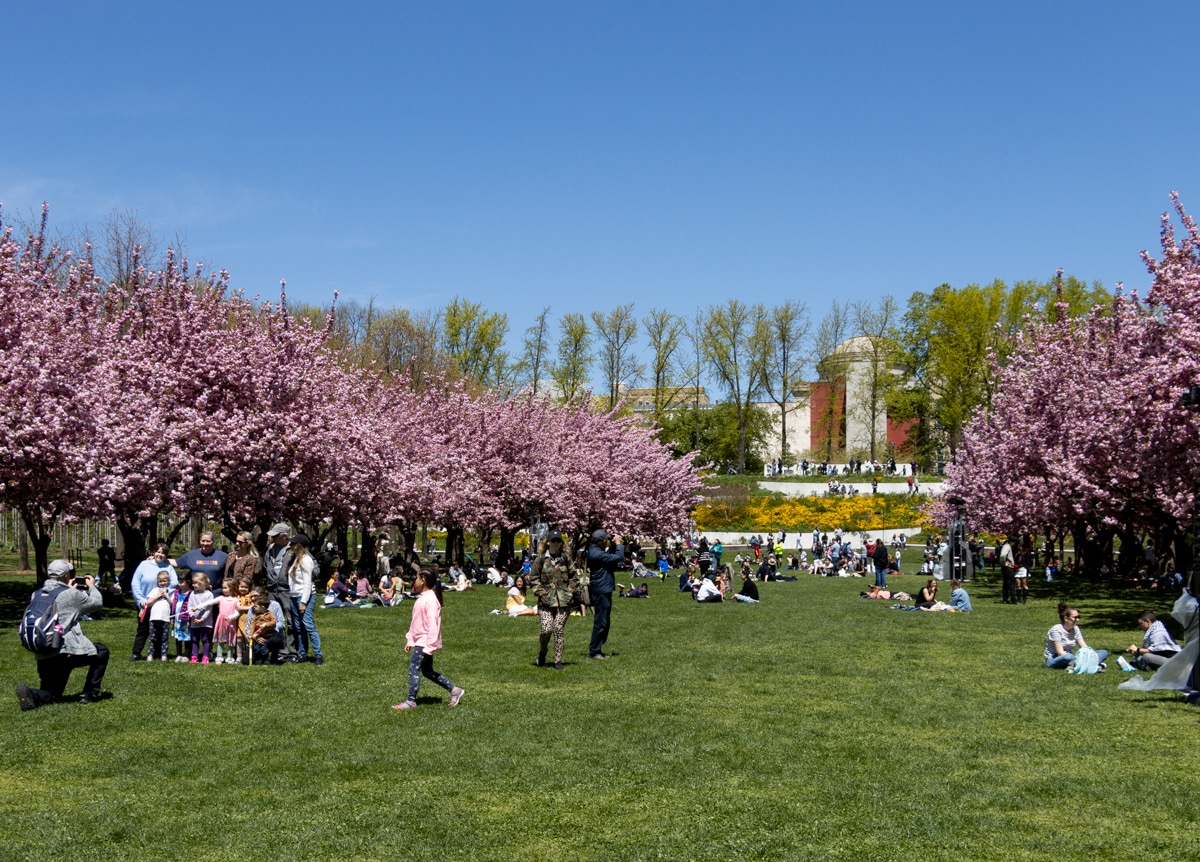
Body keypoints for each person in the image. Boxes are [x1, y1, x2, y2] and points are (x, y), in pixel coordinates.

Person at [15, 560, 110, 709]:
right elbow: (97, 603)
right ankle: (89, 693)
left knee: (52, 694)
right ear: (66, 576)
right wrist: (91, 586)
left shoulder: (36, 594)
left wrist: (69, 589)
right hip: (66, 651)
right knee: (102, 652)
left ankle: (31, 694)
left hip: (43, 651)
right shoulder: (71, 595)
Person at [393, 568, 464, 710]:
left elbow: (433, 625)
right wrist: (410, 640)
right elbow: (416, 623)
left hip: (425, 643)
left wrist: (430, 645)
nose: (414, 581)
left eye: (416, 578)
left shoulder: (430, 600)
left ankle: (411, 701)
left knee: (414, 669)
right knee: (427, 671)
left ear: (423, 580)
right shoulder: (424, 598)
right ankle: (455, 690)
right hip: (420, 642)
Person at [532, 532, 577, 669]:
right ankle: (543, 651)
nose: (555, 543)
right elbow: (533, 579)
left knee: (558, 629)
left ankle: (558, 660)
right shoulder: (540, 559)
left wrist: (569, 593)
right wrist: (541, 593)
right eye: (553, 541)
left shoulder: (565, 558)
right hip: (545, 601)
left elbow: (574, 577)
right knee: (546, 630)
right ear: (548, 542)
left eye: (558, 541)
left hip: (563, 601)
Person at [129, 543, 178, 661]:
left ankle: (157, 652)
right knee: (143, 629)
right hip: (146, 603)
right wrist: (140, 600)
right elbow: (135, 583)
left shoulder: (168, 568)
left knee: (160, 629)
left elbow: (174, 583)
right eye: (158, 552)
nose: (160, 555)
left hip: (160, 604)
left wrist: (164, 592)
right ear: (153, 552)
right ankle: (136, 653)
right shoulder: (143, 565)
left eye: (163, 553)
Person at [261, 523, 300, 661]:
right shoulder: (270, 549)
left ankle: (294, 651)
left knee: (291, 621)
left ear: (284, 536)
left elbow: (312, 564)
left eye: (275, 536)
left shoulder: (294, 548)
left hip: (287, 591)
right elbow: (266, 566)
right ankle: (279, 651)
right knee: (275, 621)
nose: (273, 539)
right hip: (272, 589)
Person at [586, 529, 624, 660]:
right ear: (602, 541)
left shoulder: (596, 550)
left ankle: (597, 649)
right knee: (601, 622)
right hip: (601, 590)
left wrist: (613, 546)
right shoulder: (596, 554)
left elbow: (609, 558)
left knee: (604, 621)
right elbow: (618, 558)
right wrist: (618, 544)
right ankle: (594, 651)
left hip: (603, 589)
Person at [288, 533, 324, 665]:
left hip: (304, 597)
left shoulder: (306, 560)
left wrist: (303, 602)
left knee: (308, 625)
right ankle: (302, 653)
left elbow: (308, 584)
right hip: (293, 596)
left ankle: (318, 655)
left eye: (292, 543)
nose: (290, 545)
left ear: (298, 546)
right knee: (298, 627)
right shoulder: (295, 559)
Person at [1045, 602, 1109, 669]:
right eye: (1075, 617)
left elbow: (1084, 647)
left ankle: (1082, 664)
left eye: (1078, 617)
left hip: (1071, 658)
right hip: (1055, 658)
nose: (1077, 620)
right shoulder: (1056, 629)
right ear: (1066, 618)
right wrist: (1078, 659)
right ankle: (1092, 665)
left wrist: (1092, 655)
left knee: (1103, 652)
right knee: (1069, 657)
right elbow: (1060, 652)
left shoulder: (1075, 629)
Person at [175, 532, 228, 596]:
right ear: (200, 541)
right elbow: (176, 563)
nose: (205, 543)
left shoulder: (223, 556)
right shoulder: (191, 555)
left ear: (213, 541)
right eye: (203, 541)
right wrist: (161, 558)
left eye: (208, 541)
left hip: (215, 594)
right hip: (196, 594)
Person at [144, 570, 173, 661]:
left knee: (164, 637)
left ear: (168, 581)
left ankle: (163, 654)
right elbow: (148, 603)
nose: (162, 583)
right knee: (153, 637)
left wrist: (166, 596)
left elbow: (172, 604)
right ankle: (150, 654)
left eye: (164, 581)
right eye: (160, 581)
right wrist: (157, 596)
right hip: (154, 617)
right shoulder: (154, 590)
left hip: (165, 618)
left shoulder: (171, 591)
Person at [187, 573, 216, 664]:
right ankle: (194, 656)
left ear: (203, 583)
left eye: (196, 583)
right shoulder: (192, 593)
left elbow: (208, 609)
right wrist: (193, 616)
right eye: (193, 583)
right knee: (195, 639)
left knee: (205, 639)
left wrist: (202, 619)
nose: (193, 585)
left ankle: (205, 656)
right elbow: (189, 606)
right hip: (194, 621)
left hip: (205, 622)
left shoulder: (209, 595)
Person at [211, 578, 241, 663]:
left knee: (230, 640)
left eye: (225, 588)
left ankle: (230, 656)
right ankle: (219, 656)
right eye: (223, 587)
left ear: (232, 588)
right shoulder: (221, 598)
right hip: (221, 622)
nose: (223, 589)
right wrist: (199, 606)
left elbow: (237, 612)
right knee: (220, 640)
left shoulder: (236, 600)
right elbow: (210, 602)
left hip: (231, 623)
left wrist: (231, 617)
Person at [999, 537, 1017, 604]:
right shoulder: (1007, 546)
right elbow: (1003, 555)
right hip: (1008, 567)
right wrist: (1004, 563)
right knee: (1011, 583)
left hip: (1006, 568)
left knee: (1006, 584)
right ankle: (1013, 599)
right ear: (1012, 542)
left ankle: (1005, 599)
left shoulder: (1006, 546)